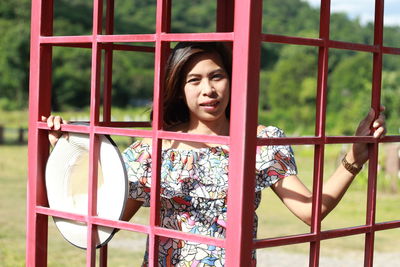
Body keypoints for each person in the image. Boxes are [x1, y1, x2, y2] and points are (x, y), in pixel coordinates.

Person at [43, 42, 386, 267]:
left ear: (231, 81)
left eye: (216, 76)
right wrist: (67, 149)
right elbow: (105, 221)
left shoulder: (261, 141)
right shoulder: (154, 147)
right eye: (194, 80)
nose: (208, 89)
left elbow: (312, 213)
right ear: (179, 88)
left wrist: (354, 157)